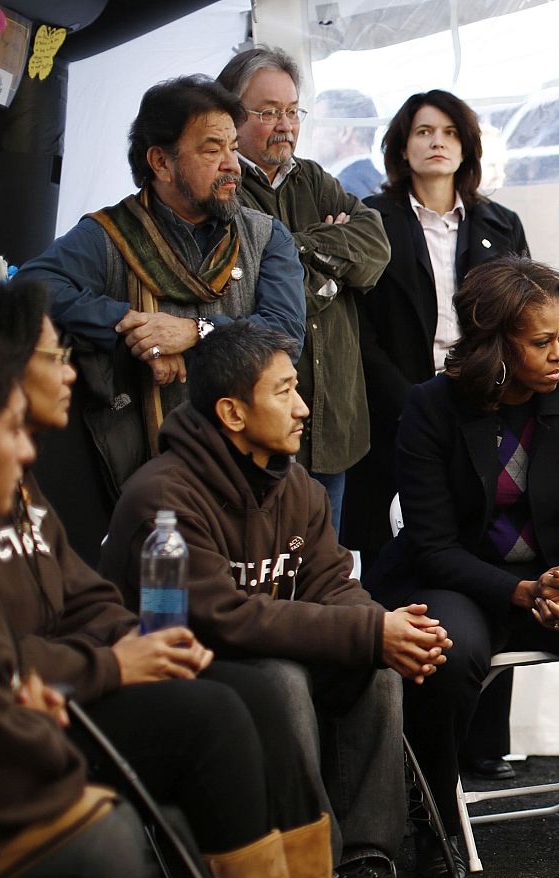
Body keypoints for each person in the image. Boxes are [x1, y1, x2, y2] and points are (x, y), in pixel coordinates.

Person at [0, 278, 424, 878]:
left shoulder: (21, 488)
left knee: (293, 681)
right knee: (248, 695)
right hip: (49, 712)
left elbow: (88, 600)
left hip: (79, 684)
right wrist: (116, 661)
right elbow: (16, 660)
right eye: (57, 359)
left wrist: (381, 628)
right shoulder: (162, 492)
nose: (69, 375)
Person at [97, 322, 450, 878]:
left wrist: (388, 629)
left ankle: (366, 866)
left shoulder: (297, 488)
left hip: (257, 659)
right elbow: (221, 618)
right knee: (282, 679)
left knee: (377, 671)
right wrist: (371, 634)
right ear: (233, 413)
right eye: (284, 392)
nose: (304, 407)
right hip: (178, 680)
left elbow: (332, 586)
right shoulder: (164, 497)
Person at [367, 256, 559, 878]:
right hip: (461, 582)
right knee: (444, 655)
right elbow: (432, 546)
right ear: (494, 344)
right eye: (542, 341)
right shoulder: (432, 406)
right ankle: (435, 824)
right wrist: (521, 590)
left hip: (554, 579)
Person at [14, 76, 305, 550]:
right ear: (161, 161)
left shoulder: (266, 236)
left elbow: (287, 337)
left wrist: (195, 331)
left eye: (233, 147)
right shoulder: (109, 234)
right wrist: (137, 330)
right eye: (213, 150)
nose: (233, 164)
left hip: (249, 468)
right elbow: (31, 286)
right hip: (138, 473)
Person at [344, 88, 531, 780]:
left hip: (486, 407)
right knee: (400, 561)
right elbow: (354, 330)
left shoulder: (499, 223)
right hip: (395, 411)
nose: (436, 142)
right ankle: (404, 741)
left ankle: (486, 742)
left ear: (468, 146)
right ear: (400, 145)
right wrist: (415, 399)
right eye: (422, 131)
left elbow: (524, 314)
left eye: (449, 131)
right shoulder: (371, 221)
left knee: (496, 550)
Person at [0, 333, 164, 878]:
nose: (27, 450)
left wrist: (127, 648)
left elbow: (86, 602)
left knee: (227, 697)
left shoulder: (27, 498)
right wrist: (108, 668)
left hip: (59, 699)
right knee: (106, 834)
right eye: (7, 427)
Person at [216, 47, 390, 534]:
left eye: (292, 111)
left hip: (332, 421)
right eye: (267, 112)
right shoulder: (222, 185)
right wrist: (331, 267)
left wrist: (292, 250)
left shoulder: (312, 178)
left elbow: (376, 249)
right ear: (230, 113)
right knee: (257, 574)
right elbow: (243, 282)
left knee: (320, 576)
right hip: (255, 420)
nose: (285, 125)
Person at [311, 89, 386, 199]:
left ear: (344, 132)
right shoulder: (381, 183)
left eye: (316, 125)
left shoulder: (338, 191)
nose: (310, 135)